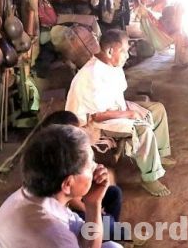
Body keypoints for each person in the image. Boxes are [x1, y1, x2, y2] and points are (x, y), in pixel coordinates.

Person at [65, 30, 174, 197]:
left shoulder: (112, 65)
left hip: (115, 109)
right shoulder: (92, 75)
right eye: (124, 51)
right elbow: (97, 116)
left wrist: (130, 110)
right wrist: (129, 114)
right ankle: (150, 177)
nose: (128, 55)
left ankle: (159, 153)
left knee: (157, 109)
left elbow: (117, 99)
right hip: (95, 122)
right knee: (141, 128)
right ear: (110, 52)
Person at [0, 125, 119, 248]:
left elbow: (86, 240)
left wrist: (93, 203)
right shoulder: (53, 237)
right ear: (67, 184)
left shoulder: (35, 195)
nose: (96, 168)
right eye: (90, 166)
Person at [40, 111, 124, 244]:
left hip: (75, 200)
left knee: (114, 195)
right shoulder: (58, 232)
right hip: (75, 206)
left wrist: (94, 203)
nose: (80, 134)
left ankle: (108, 234)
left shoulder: (58, 157)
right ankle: (111, 233)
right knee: (113, 230)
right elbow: (72, 200)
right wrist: (93, 208)